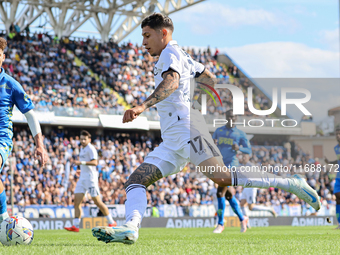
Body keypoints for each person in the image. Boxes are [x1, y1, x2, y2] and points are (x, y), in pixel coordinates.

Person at [92, 13, 320, 245]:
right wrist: (196, 92)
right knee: (135, 181)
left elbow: (171, 82)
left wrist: (143, 105)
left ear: (164, 33)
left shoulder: (170, 53)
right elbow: (209, 78)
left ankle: (291, 183)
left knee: (221, 177)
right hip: (172, 138)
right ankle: (131, 228)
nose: (143, 42)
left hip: (187, 127)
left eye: (147, 35)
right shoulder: (183, 55)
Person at [0, 37, 49, 222]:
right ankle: (3, 218)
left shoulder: (11, 84)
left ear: (3, 57)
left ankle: (4, 218)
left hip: (1, 139)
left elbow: (30, 115)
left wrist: (40, 145)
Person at [64, 130, 116, 232]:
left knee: (97, 201)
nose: (82, 140)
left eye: (85, 139)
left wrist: (81, 162)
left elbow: (95, 162)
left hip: (91, 179)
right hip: (82, 177)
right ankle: (75, 225)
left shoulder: (91, 148)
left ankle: (111, 221)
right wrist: (81, 169)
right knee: (77, 201)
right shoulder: (82, 149)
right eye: (81, 138)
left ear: (89, 139)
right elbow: (86, 164)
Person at [212, 110, 250, 233]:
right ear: (225, 117)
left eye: (233, 117)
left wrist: (240, 148)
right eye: (228, 116)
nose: (230, 119)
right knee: (228, 195)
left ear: (236, 118)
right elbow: (212, 144)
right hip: (219, 165)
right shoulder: (219, 131)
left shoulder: (240, 134)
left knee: (219, 192)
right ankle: (242, 218)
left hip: (232, 165)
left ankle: (220, 224)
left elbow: (248, 150)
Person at [240, 155, 277, 228]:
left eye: (244, 157)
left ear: (248, 158)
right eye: (242, 157)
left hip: (251, 187)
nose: (243, 158)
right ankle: (247, 224)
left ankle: (269, 209)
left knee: (251, 207)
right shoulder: (243, 165)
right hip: (246, 187)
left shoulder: (250, 165)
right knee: (242, 204)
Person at [325, 127, 340, 229]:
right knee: (338, 198)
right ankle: (339, 223)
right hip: (338, 176)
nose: (338, 136)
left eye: (339, 134)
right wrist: (330, 162)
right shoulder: (336, 148)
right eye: (336, 134)